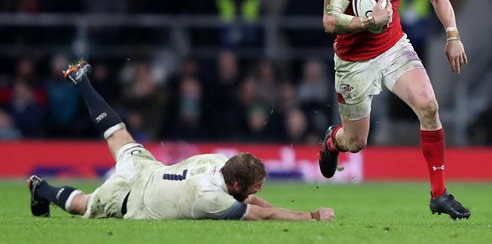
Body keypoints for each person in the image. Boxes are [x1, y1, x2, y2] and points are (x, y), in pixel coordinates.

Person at [27, 60, 334, 222]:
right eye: (256, 185)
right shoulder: (211, 200)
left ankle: (82, 82)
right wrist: (311, 216)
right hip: (130, 198)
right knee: (85, 204)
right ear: (237, 186)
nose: (259, 190)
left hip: (146, 169)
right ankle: (42, 188)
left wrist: (289, 210)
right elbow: (261, 212)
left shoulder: (218, 163)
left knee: (117, 133)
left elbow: (253, 202)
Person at [319, 0, 470, 219]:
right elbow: (330, 21)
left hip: (394, 48)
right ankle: (333, 141)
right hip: (354, 61)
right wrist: (366, 23)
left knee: (429, 106)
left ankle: (439, 194)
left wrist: (453, 35)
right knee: (356, 142)